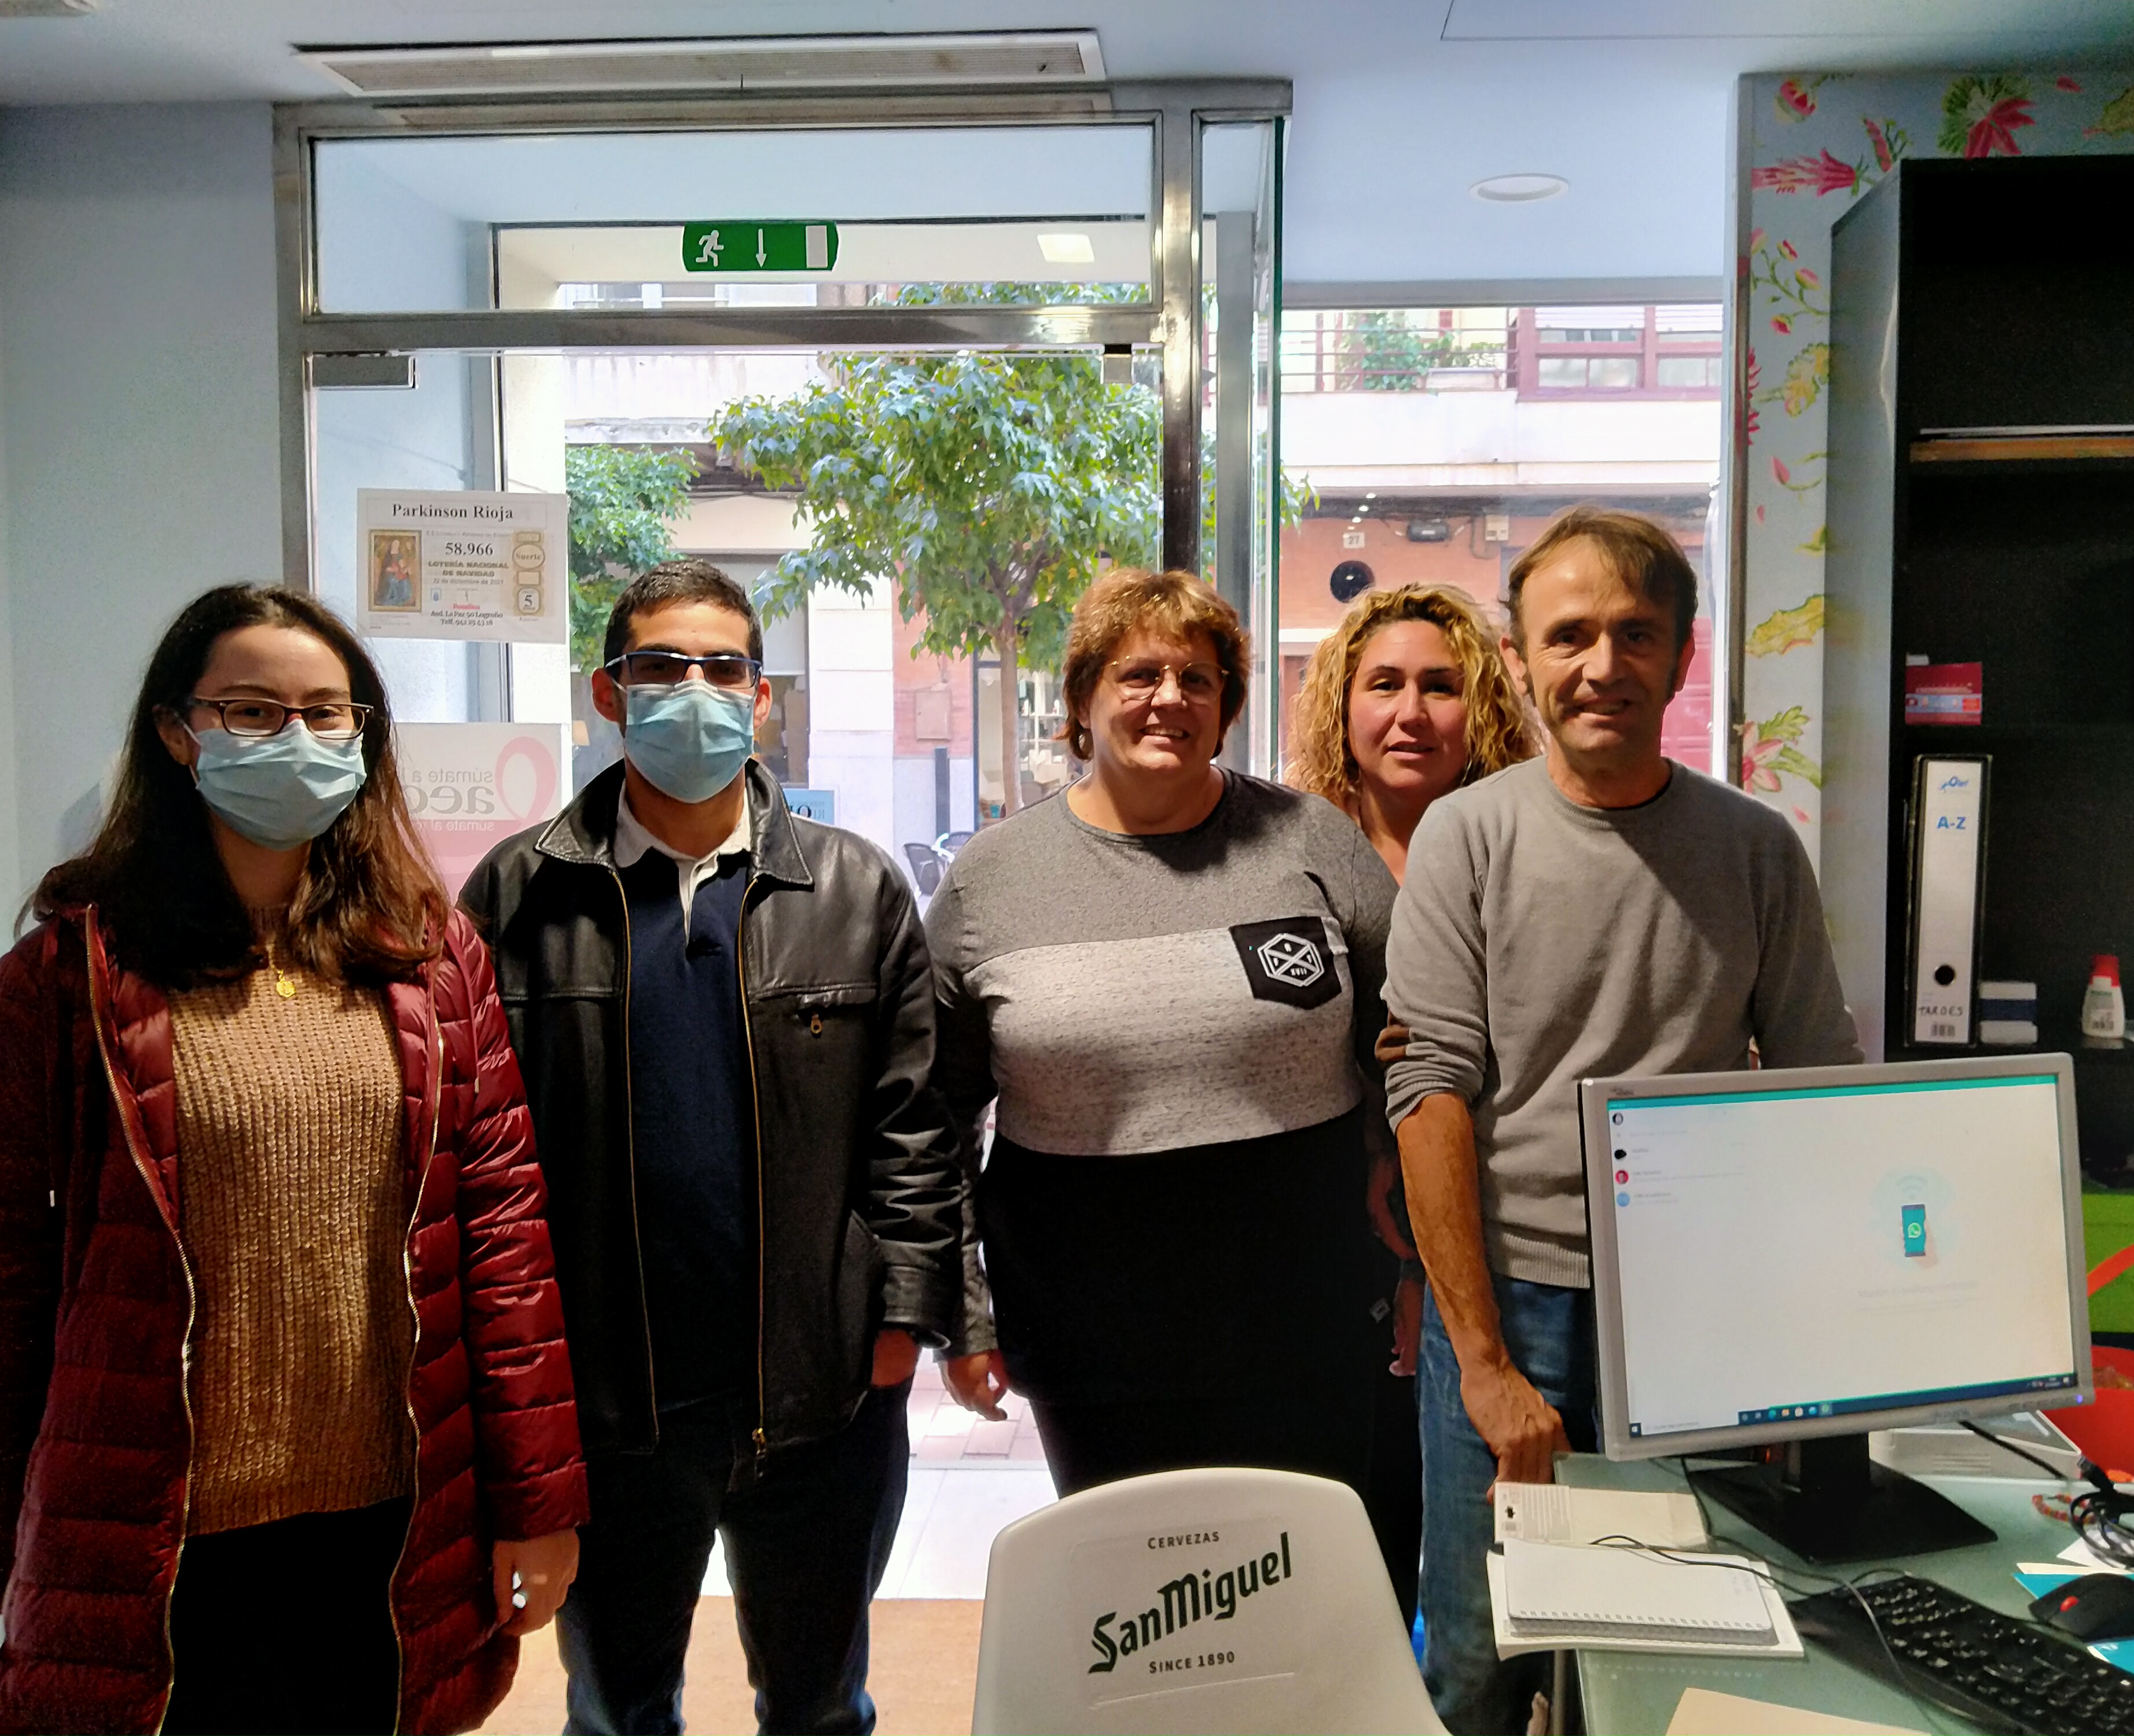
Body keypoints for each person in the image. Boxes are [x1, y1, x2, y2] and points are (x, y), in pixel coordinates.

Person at [0, 584, 587, 1736]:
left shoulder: (431, 957)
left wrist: (538, 1501)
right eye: (253, 711)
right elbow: (12, 1263)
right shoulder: (73, 972)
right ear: (178, 732)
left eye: (327, 712)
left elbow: (503, 1241)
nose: (297, 738)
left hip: (387, 1521)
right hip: (159, 1528)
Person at [461, 558, 964, 1736]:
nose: (695, 690)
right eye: (661, 666)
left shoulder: (854, 888)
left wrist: (900, 1320)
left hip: (821, 1391)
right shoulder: (518, 894)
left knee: (819, 1704)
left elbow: (915, 1125)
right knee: (618, 1709)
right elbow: (476, 1154)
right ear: (608, 691)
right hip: (610, 1401)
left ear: (761, 695)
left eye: (723, 668)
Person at [1384, 507, 1861, 1735]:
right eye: (1570, 636)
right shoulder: (1465, 837)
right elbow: (1429, 1094)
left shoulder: (1756, 851)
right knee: (1478, 1669)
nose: (1602, 665)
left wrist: (1806, 1353)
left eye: (1635, 634)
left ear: (1682, 656)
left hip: (1698, 1317)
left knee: (1682, 1659)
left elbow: (1819, 1092)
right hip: (1512, 1304)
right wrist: (1482, 1365)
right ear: (1521, 659)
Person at [928, 568, 1400, 1496]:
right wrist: (964, 1312)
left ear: (1224, 710)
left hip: (1314, 1323)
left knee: (1304, 1572)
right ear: (1083, 700)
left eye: (1198, 679)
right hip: (1086, 1340)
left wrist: (1415, 1254)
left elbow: (1408, 1057)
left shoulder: (1314, 843)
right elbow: (935, 1120)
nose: (1170, 699)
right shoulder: (990, 881)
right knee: (1133, 1577)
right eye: (1139, 674)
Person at [1285, 581, 1537, 1624]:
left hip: (1496, 1249)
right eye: (1383, 684)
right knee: (1353, 1561)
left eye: (1441, 686)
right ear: (1342, 705)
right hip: (1325, 1260)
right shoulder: (1290, 852)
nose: (1411, 712)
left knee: (1493, 1573)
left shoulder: (1527, 844)